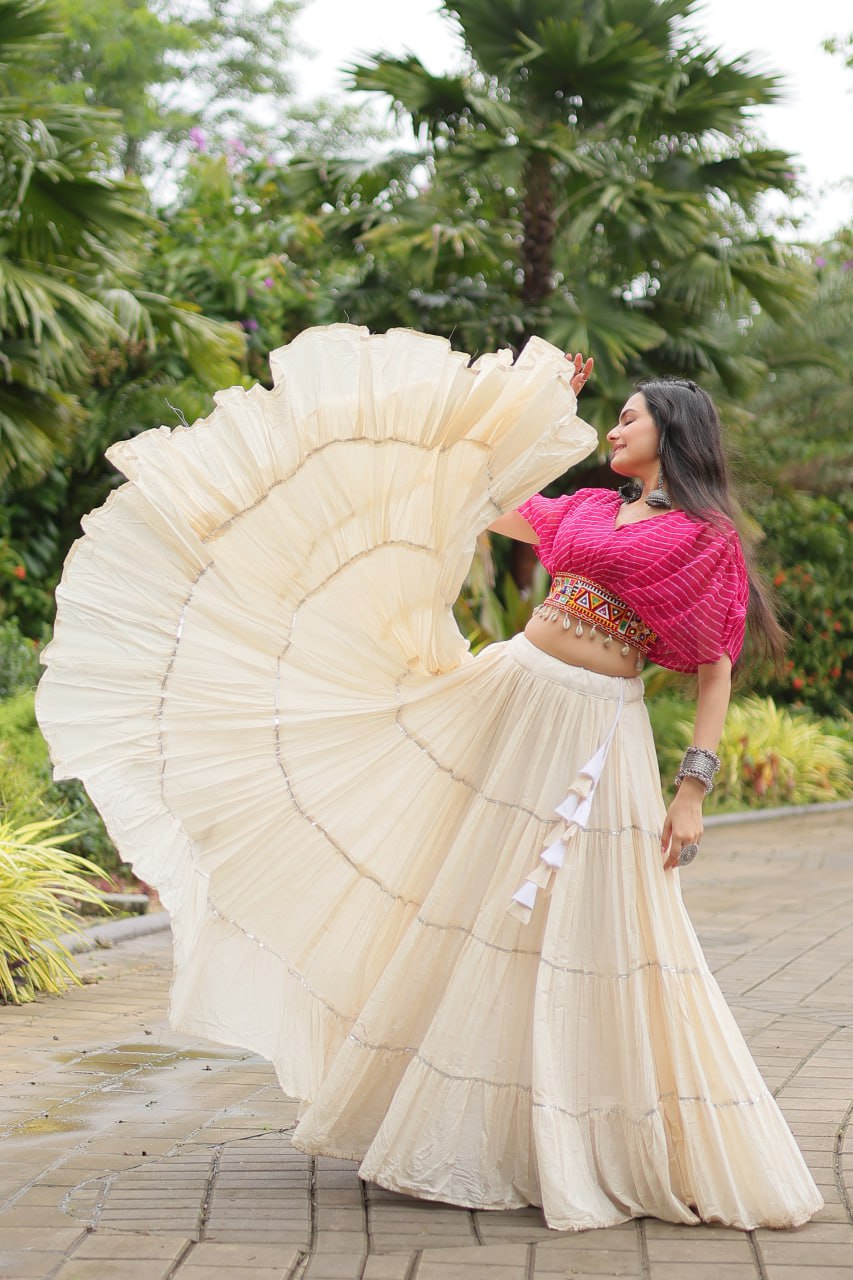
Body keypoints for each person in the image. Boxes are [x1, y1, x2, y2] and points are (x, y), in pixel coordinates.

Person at [34, 325, 823, 1234]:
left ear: (673, 434)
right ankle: (458, 1123)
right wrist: (537, 406)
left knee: (592, 922)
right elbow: (480, 495)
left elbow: (715, 667)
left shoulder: (703, 537)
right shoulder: (585, 513)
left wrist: (691, 790)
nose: (612, 432)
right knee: (474, 899)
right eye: (609, 418)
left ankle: (581, 1134)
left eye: (627, 420)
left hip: (589, 731)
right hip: (506, 702)